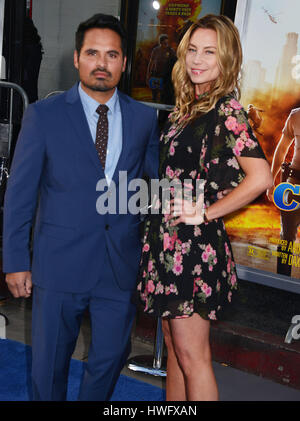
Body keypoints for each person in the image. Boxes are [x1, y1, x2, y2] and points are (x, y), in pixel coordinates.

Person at [2, 14, 159, 401]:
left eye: (111, 54)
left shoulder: (143, 118)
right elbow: (20, 194)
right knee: (48, 365)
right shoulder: (43, 116)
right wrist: (15, 260)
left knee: (110, 358)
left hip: (118, 267)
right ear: (76, 58)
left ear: (124, 63)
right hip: (58, 264)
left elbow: (152, 188)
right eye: (92, 53)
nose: (101, 63)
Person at [137, 14, 273, 401]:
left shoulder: (226, 111)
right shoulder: (189, 107)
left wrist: (207, 212)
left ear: (226, 59)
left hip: (192, 249)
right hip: (169, 242)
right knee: (176, 349)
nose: (197, 60)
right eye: (192, 50)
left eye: (209, 52)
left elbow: (261, 177)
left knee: (193, 355)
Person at [267, 107, 300, 276]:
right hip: (294, 183)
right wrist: (271, 181)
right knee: (286, 237)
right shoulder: (296, 115)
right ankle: (282, 282)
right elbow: (281, 150)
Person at [146, 34, 176, 102]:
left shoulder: (171, 51)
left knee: (164, 95)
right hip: (156, 74)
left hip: (166, 77)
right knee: (154, 94)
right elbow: (151, 63)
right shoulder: (155, 50)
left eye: (167, 43)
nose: (166, 45)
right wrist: (148, 74)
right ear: (161, 42)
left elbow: (175, 63)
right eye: (164, 43)